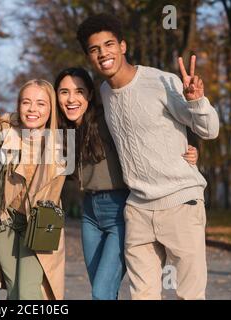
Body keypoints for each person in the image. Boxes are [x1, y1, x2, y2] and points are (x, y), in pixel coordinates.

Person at [76, 13, 219, 300]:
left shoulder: (161, 82)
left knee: (189, 294)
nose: (103, 53)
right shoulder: (103, 92)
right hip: (138, 209)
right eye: (94, 49)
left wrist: (196, 102)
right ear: (90, 57)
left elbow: (209, 129)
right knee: (142, 295)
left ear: (123, 46)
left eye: (109, 44)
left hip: (180, 201)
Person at [54, 67, 199, 300]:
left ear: (90, 95)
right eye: (64, 92)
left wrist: (189, 148)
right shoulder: (62, 131)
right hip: (89, 212)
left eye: (79, 91)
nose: (71, 99)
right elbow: (29, 120)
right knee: (103, 290)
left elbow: (148, 134)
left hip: (120, 209)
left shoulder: (107, 120)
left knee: (101, 292)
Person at [0, 79, 70, 300]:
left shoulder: (62, 143)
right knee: (14, 289)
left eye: (41, 103)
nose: (33, 109)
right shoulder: (6, 132)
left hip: (40, 223)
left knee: (29, 292)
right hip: (4, 221)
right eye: (26, 102)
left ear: (51, 108)